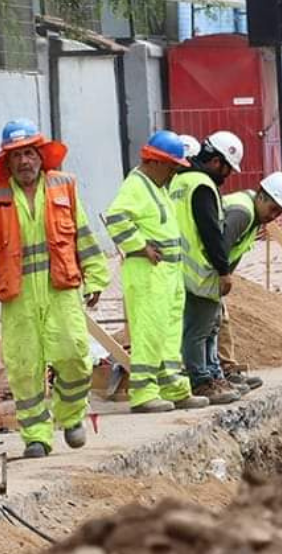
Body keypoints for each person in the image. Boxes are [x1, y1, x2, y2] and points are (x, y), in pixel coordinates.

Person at [0, 119, 109, 458]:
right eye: (16, 156)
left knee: (74, 357)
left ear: (40, 156)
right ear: (7, 162)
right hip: (18, 299)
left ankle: (70, 416)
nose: (24, 161)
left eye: (29, 153)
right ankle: (36, 437)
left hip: (61, 292)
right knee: (24, 369)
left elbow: (83, 235)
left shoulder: (63, 187)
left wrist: (95, 277)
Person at [105, 131, 210, 413]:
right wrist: (140, 247)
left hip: (167, 273)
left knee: (168, 334)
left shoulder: (157, 186)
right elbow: (115, 218)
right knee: (150, 333)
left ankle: (174, 387)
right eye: (172, 166)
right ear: (157, 162)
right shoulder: (137, 186)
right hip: (148, 272)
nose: (174, 172)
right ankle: (143, 393)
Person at [172, 131, 245, 404]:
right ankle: (201, 381)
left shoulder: (178, 180)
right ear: (217, 161)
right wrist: (223, 269)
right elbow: (211, 231)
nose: (226, 177)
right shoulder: (202, 185)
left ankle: (208, 375)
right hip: (199, 270)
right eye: (227, 169)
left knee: (194, 327)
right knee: (200, 328)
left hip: (175, 267)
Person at [218, 171, 282, 391]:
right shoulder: (242, 212)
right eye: (273, 209)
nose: (274, 216)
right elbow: (219, 247)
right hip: (204, 274)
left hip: (211, 275)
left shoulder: (253, 216)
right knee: (208, 324)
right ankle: (215, 374)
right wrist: (222, 275)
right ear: (262, 196)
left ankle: (225, 370)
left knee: (219, 320)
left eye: (279, 213)